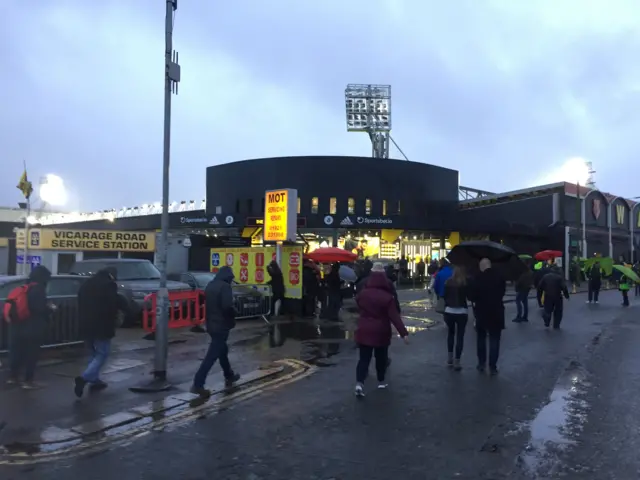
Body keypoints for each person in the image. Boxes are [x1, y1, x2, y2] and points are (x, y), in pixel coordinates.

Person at [354, 263, 409, 397]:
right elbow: (394, 316)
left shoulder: (363, 293)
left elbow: (358, 303)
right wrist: (404, 333)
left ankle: (359, 383)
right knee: (381, 357)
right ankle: (381, 381)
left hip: (364, 328)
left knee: (364, 359)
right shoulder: (387, 297)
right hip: (381, 330)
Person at [74, 267, 128, 398]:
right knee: (102, 354)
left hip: (85, 324)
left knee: (93, 353)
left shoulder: (87, 283)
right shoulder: (109, 285)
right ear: (111, 275)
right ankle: (84, 378)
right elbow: (112, 303)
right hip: (101, 325)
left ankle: (94, 380)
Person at [191, 266, 240, 396]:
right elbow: (227, 306)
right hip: (222, 325)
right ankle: (198, 383)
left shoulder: (211, 285)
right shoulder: (225, 287)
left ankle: (229, 375)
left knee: (222, 351)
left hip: (211, 324)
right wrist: (234, 313)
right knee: (212, 355)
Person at [5, 266, 53, 389]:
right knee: (31, 354)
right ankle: (28, 381)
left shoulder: (23, 288)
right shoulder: (39, 290)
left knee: (16, 352)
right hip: (33, 327)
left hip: (16, 325)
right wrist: (51, 308)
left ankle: (12, 377)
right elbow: (39, 309)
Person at [469, 258, 506, 375]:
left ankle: (481, 363)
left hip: (481, 312)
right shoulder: (500, 277)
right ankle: (493, 366)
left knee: (481, 338)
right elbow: (502, 292)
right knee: (495, 339)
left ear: (482, 266)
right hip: (497, 312)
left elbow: (472, 296)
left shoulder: (477, 278)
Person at [443, 266, 470, 370]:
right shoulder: (464, 283)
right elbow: (468, 297)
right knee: (460, 336)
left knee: (451, 334)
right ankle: (457, 361)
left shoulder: (448, 282)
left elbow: (444, 296)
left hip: (449, 311)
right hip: (462, 312)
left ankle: (449, 358)